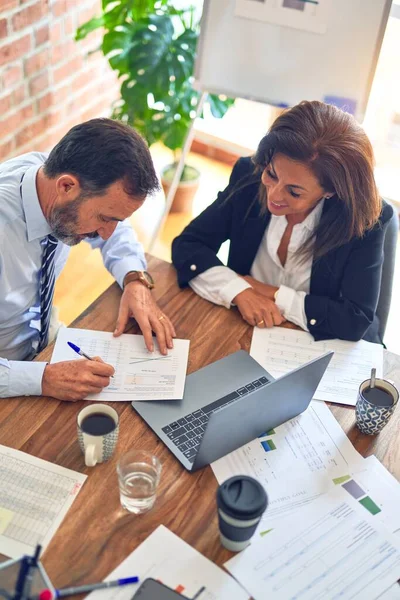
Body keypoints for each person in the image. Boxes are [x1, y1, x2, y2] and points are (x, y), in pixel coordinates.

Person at [172, 101, 393, 344]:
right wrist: (240, 291)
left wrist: (270, 292)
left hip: (327, 345)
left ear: (330, 191)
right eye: (272, 175)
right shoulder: (249, 175)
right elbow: (188, 245)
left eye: (294, 192)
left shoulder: (364, 219)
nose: (274, 196)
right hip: (247, 329)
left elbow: (355, 320)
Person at [0, 118, 175, 401]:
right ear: (67, 187)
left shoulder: (54, 178)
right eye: (104, 219)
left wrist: (134, 278)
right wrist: (42, 378)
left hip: (43, 344)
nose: (106, 234)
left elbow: (117, 229)